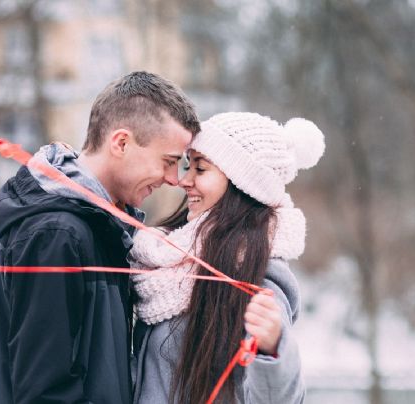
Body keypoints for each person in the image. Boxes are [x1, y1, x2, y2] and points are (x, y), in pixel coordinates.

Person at [0, 71, 200, 404]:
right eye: (168, 162)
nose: (172, 179)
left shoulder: (100, 227)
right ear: (121, 143)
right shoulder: (56, 234)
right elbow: (44, 392)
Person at [130, 112, 324, 403]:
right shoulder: (165, 261)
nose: (185, 180)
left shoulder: (260, 276)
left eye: (201, 169)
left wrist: (271, 348)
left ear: (241, 183)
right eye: (187, 166)